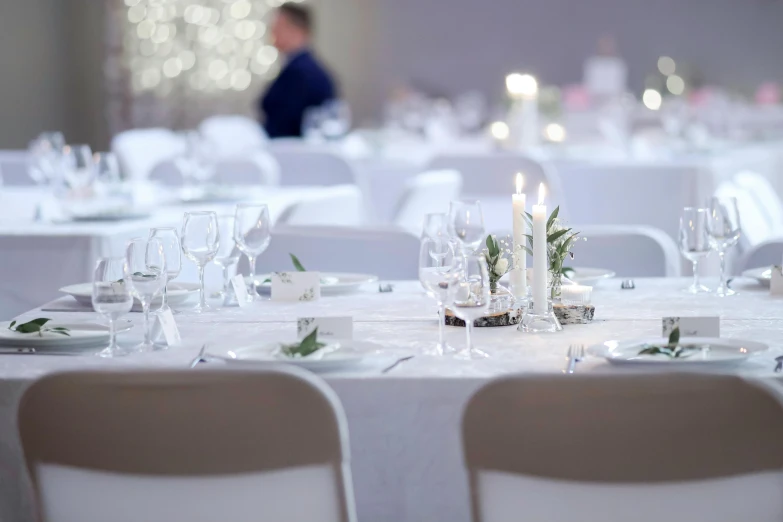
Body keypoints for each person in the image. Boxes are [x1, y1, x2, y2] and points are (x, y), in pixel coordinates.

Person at [258, 3, 336, 138]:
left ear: (296, 30)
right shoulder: (305, 68)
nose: (272, 33)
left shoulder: (300, 73)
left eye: (277, 27)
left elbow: (284, 124)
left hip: (288, 152)